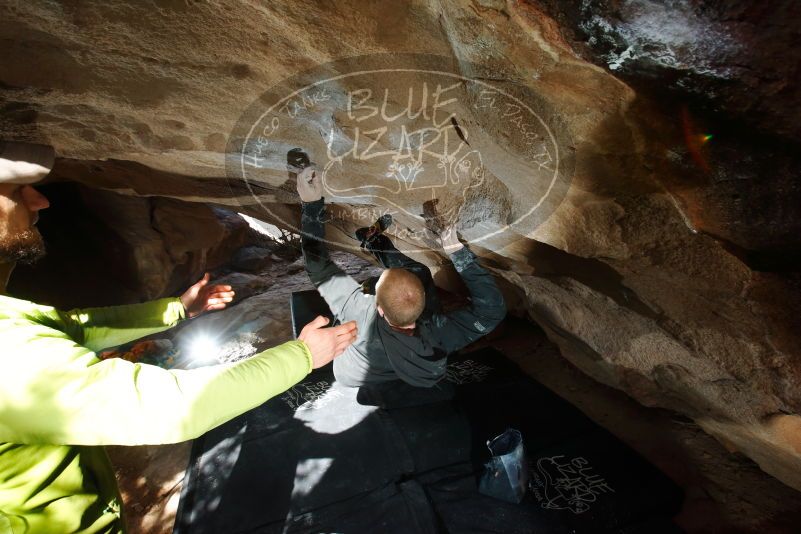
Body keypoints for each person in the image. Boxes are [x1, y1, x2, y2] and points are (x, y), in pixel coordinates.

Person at [0, 141, 358, 533]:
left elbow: (73, 326)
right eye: (17, 191)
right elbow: (174, 407)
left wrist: (177, 309)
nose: (40, 201)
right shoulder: (12, 356)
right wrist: (302, 355)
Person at [294, 150, 506, 388]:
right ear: (424, 300)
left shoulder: (360, 312)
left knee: (372, 288)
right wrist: (458, 252)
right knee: (419, 272)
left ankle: (374, 249)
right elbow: (492, 311)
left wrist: (311, 205)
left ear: (380, 309)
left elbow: (316, 264)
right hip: (409, 369)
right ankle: (374, 243)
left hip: (352, 375)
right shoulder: (439, 332)